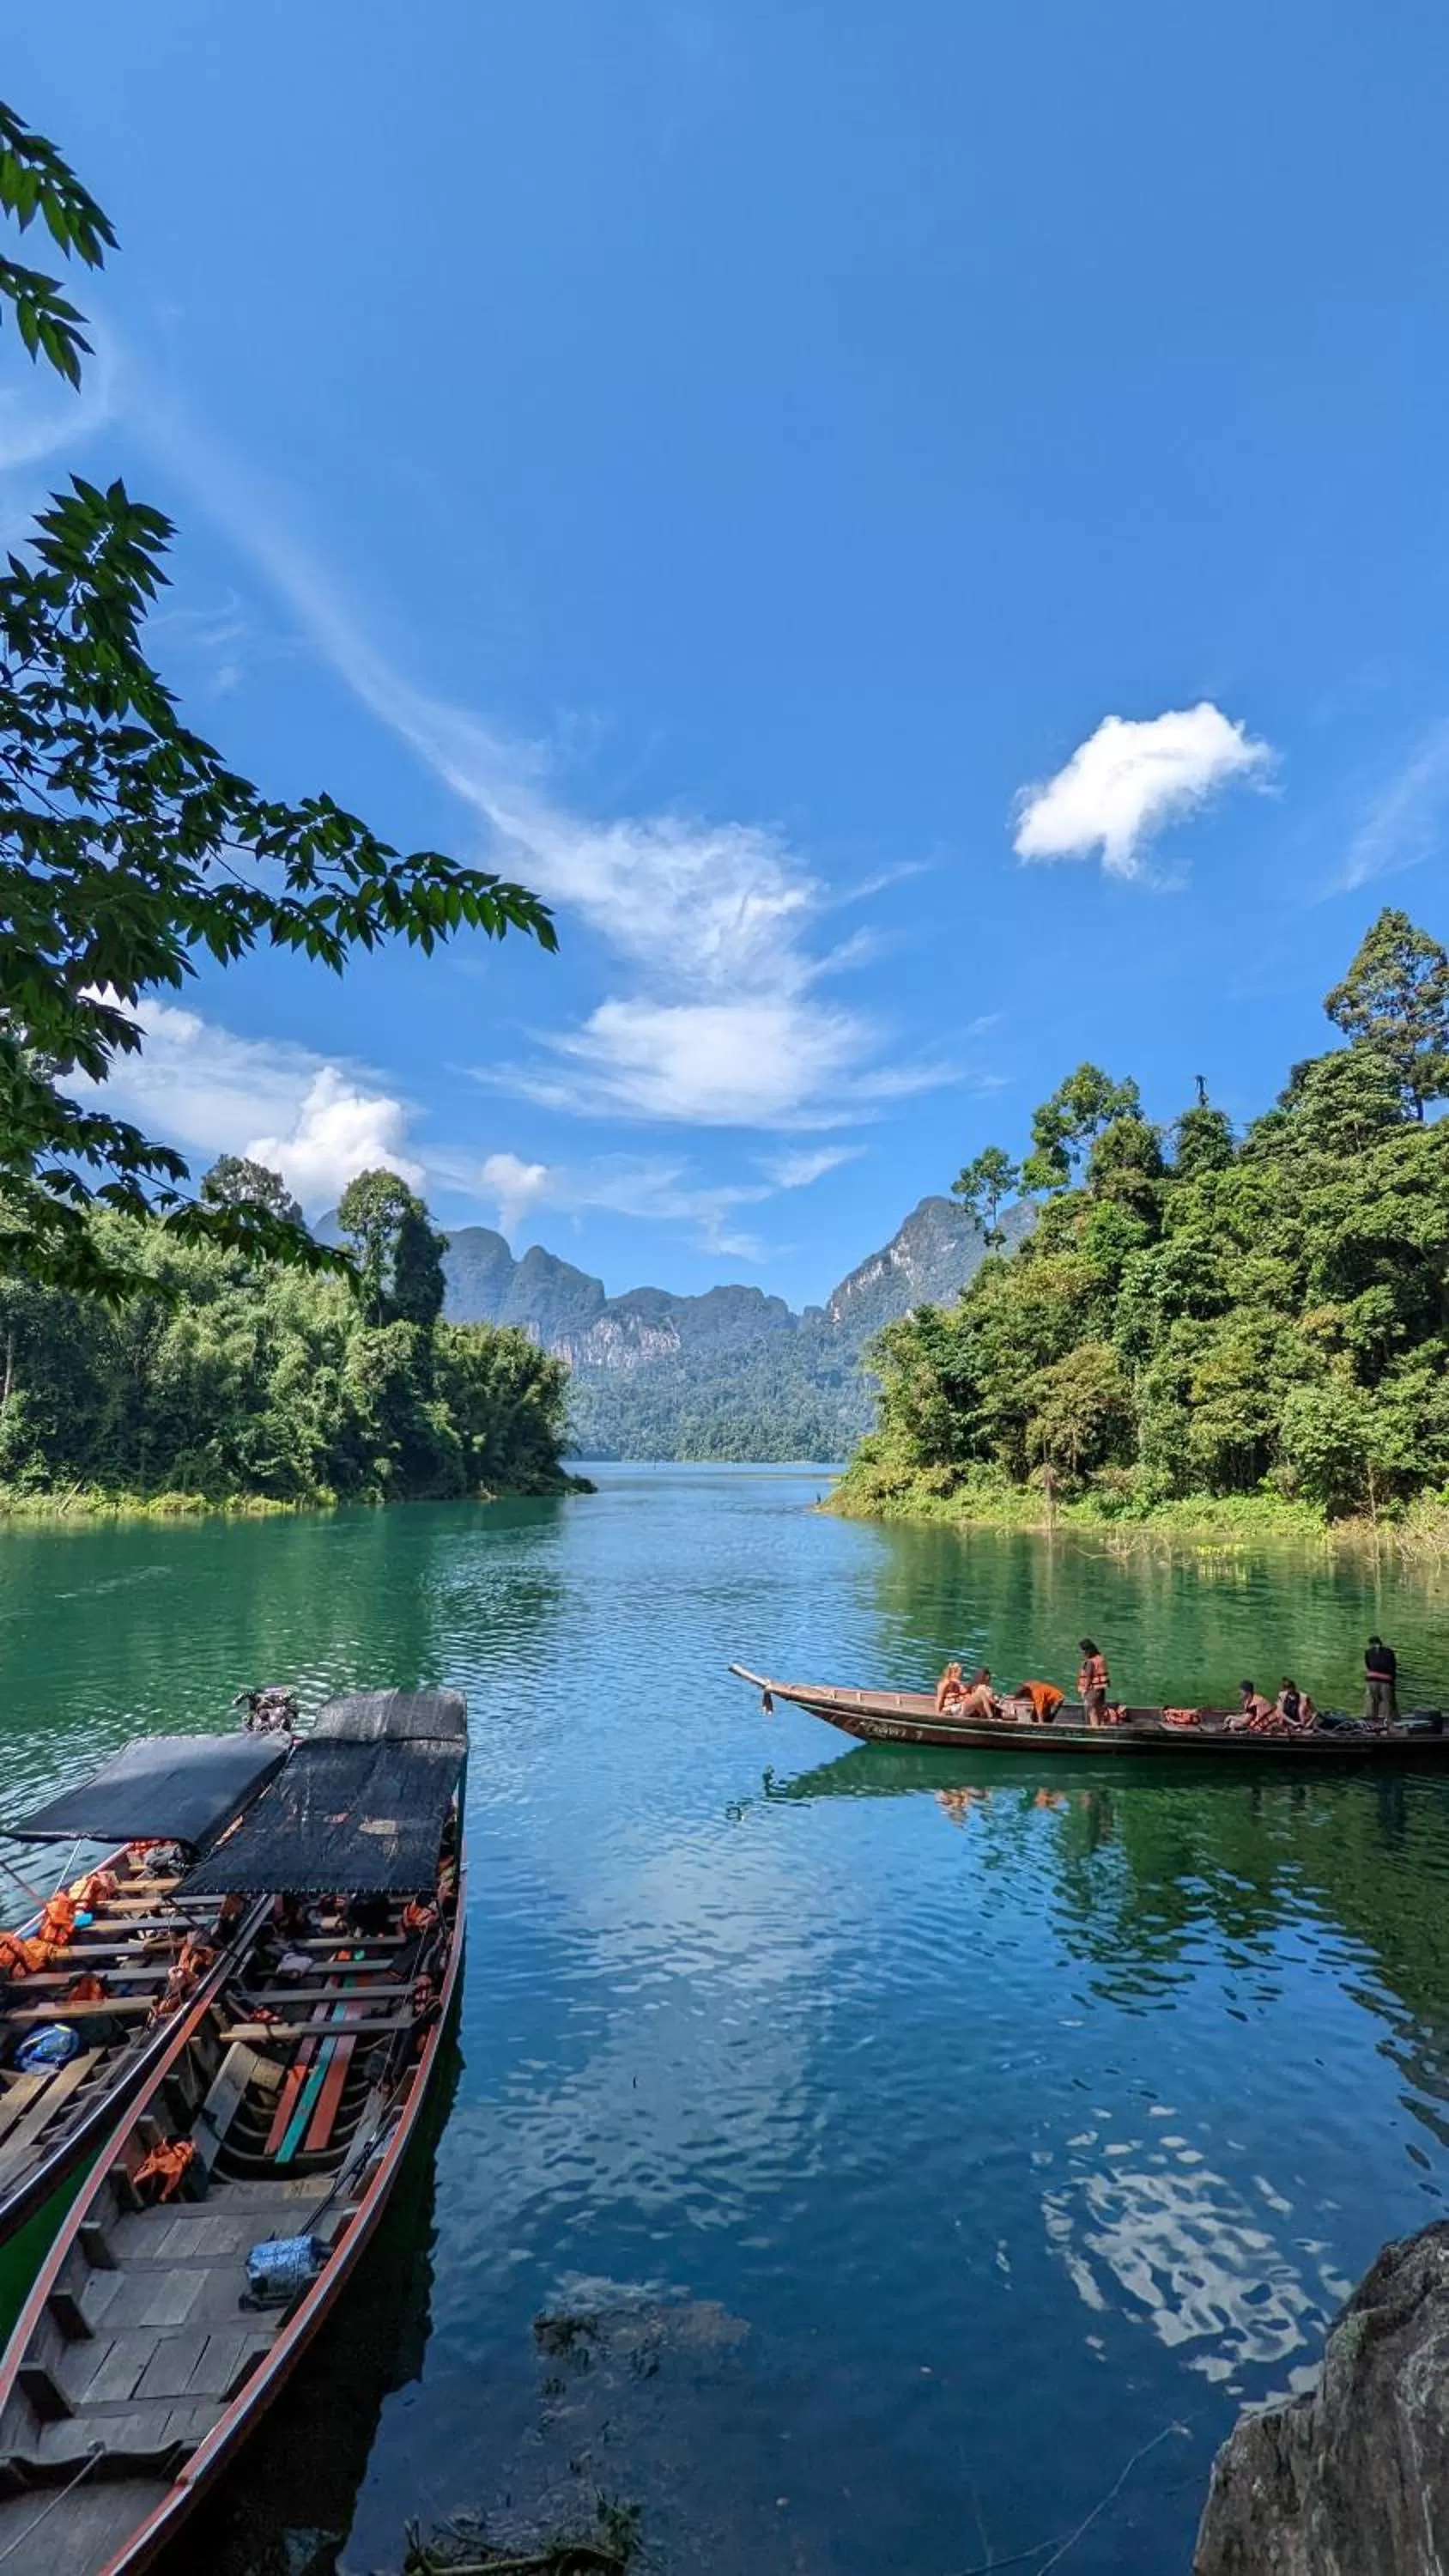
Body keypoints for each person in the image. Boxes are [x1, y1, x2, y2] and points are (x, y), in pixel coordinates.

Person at [1365, 1636, 1398, 1724]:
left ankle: (1373, 1722)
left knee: (1374, 1701)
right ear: (1380, 1642)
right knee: (1387, 1702)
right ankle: (1388, 1721)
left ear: (1371, 1644)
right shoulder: (1389, 1652)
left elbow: (1369, 1666)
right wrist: (1393, 1681)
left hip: (1372, 1679)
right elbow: (1393, 1666)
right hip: (1386, 1679)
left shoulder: (1368, 1652)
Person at [1077, 1640, 1110, 1727]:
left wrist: (1084, 1690)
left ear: (1087, 1650)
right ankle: (1100, 1727)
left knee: (1091, 1710)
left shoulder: (1090, 1662)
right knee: (1099, 1709)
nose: (1082, 1653)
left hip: (1093, 1690)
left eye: (1083, 1650)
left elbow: (1088, 1677)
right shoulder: (1100, 1658)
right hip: (1101, 1689)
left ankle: (1094, 1729)